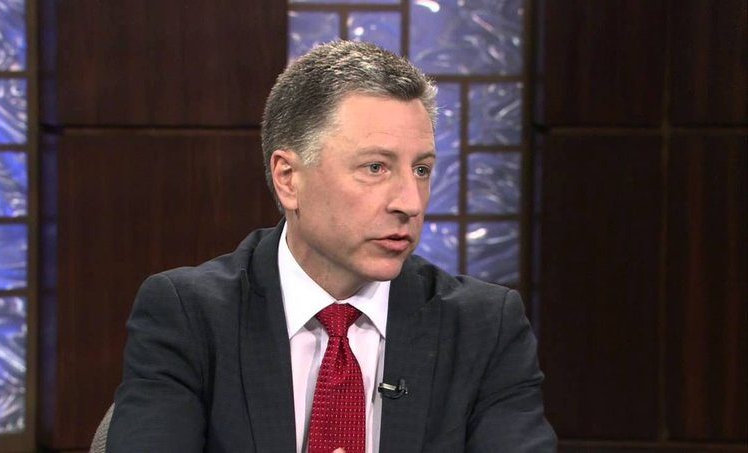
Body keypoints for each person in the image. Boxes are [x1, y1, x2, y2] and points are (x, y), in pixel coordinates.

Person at [107, 41, 556, 453]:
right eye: (376, 167)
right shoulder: (190, 317)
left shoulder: (483, 327)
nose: (410, 203)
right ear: (288, 179)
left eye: (421, 169)